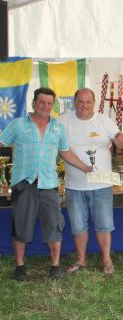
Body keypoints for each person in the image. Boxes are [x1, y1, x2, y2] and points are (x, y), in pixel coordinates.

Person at [0, 87, 93, 281]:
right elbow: (2, 143)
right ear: (34, 103)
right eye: (41, 102)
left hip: (49, 184)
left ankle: (55, 266)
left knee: (54, 226)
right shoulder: (18, 124)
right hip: (24, 184)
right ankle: (20, 266)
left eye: (49, 103)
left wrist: (84, 167)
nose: (45, 106)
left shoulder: (57, 128)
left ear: (53, 106)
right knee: (21, 226)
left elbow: (65, 152)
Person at [58, 88, 123, 275]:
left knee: (104, 225)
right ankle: (81, 260)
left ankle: (106, 259)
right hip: (74, 185)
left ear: (94, 103)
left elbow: (122, 143)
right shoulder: (63, 121)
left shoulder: (105, 121)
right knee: (78, 226)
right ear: (74, 102)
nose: (84, 105)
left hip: (101, 184)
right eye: (80, 101)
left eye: (88, 102)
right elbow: (61, 149)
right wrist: (82, 166)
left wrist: (122, 141)